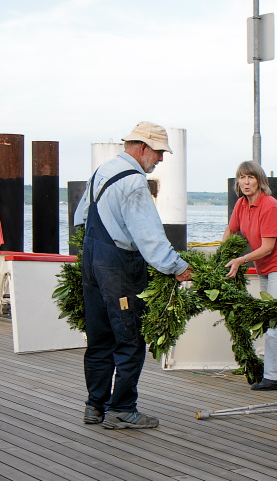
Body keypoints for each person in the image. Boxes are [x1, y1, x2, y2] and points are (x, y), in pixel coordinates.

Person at [74, 121, 192, 430]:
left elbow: (80, 218)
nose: (161, 159)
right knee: (129, 339)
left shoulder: (102, 172)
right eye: (159, 152)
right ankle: (122, 409)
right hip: (119, 271)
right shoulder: (135, 182)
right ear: (142, 148)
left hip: (92, 265)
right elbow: (149, 236)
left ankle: (94, 406)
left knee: (99, 339)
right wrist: (178, 267)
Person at [222, 161, 277, 390]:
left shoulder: (269, 205)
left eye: (251, 177)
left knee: (273, 321)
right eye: (242, 177)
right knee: (274, 317)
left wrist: (240, 259)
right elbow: (231, 230)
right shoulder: (241, 204)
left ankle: (273, 378)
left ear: (260, 181)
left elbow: (268, 246)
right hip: (264, 266)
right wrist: (222, 256)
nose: (246, 182)